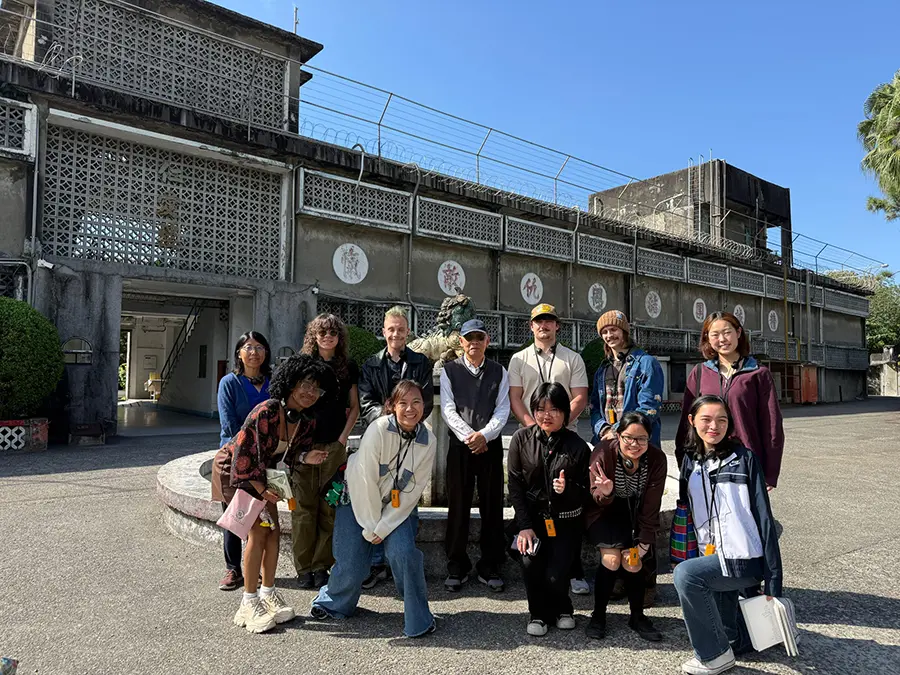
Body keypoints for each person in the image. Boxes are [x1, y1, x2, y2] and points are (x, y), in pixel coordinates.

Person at [211, 354, 336, 633]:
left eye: (316, 388)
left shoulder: (305, 421)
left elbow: (290, 456)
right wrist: (261, 489)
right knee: (258, 531)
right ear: (290, 383)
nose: (309, 393)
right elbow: (243, 456)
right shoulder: (266, 411)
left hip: (262, 475)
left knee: (274, 531)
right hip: (236, 471)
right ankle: (248, 601)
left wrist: (306, 456)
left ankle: (268, 594)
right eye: (304, 384)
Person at [311, 380, 437, 638]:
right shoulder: (378, 429)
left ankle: (419, 618)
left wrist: (384, 526)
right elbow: (364, 480)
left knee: (403, 553)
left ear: (424, 405)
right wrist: (371, 527)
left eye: (416, 402)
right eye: (403, 403)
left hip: (396, 506)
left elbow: (413, 490)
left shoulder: (429, 440)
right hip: (355, 496)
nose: (410, 409)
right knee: (350, 562)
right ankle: (333, 603)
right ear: (392, 406)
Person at [674, 395, 783, 675]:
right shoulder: (690, 460)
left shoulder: (744, 458)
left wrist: (773, 581)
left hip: (742, 558)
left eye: (722, 420)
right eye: (706, 419)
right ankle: (734, 639)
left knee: (687, 576)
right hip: (711, 553)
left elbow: (763, 518)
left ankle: (713, 656)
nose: (714, 426)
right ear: (692, 421)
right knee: (726, 629)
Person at [508, 303, 591, 595]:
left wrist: (558, 421)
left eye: (549, 321)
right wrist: (536, 426)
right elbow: (516, 397)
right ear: (531, 327)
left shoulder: (572, 358)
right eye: (538, 322)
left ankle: (574, 569)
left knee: (570, 503)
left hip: (566, 437)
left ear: (557, 326)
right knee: (538, 499)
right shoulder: (519, 359)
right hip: (532, 440)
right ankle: (540, 559)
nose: (544, 326)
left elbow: (580, 396)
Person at [357, 305, 434, 589]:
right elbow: (366, 402)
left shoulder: (420, 363)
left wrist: (406, 422)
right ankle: (376, 563)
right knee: (376, 497)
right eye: (391, 329)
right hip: (379, 441)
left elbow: (425, 401)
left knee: (407, 493)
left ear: (408, 332)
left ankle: (401, 559)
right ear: (384, 332)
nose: (396, 334)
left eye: (401, 329)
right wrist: (389, 423)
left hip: (410, 441)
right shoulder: (370, 364)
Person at [507, 382, 590, 637]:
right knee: (530, 563)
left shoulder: (577, 446)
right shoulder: (522, 439)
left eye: (554, 409)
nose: (547, 415)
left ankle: (563, 607)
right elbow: (515, 485)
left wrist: (568, 490)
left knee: (556, 574)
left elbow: (587, 492)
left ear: (565, 413)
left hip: (565, 522)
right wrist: (524, 527)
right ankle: (539, 614)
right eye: (541, 409)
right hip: (532, 520)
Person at [675, 311, 785, 490]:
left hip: (746, 461)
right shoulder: (700, 373)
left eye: (727, 332)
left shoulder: (758, 374)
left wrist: (770, 472)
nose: (722, 339)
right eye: (715, 334)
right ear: (707, 338)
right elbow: (686, 421)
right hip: (705, 460)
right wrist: (683, 459)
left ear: (739, 333)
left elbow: (772, 424)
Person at [439, 319, 510, 593]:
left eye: (479, 337)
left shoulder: (499, 371)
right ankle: (457, 565)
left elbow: (502, 409)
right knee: (458, 505)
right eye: (469, 338)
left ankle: (490, 564)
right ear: (461, 341)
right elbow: (448, 408)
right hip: (461, 447)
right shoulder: (449, 371)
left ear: (487, 341)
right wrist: (470, 436)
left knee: (492, 506)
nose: (474, 343)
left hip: (489, 446)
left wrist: (485, 436)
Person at [585, 411, 666, 642]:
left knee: (633, 561)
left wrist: (645, 539)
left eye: (641, 438)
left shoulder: (657, 459)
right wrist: (608, 493)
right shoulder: (603, 452)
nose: (634, 444)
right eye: (628, 437)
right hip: (604, 511)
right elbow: (594, 496)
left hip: (635, 512)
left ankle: (637, 616)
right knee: (611, 560)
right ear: (618, 435)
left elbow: (652, 504)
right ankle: (598, 615)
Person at [294, 314, 360, 589]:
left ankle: (322, 566)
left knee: (328, 508)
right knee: (303, 510)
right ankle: (303, 568)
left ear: (339, 337)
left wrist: (342, 440)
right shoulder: (303, 366)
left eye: (332, 332)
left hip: (334, 447)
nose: (327, 336)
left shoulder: (348, 367)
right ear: (314, 336)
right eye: (322, 332)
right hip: (305, 448)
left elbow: (355, 406)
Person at [215, 331, 272, 591]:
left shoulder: (273, 382)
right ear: (239, 352)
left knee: (262, 515)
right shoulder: (230, 382)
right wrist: (249, 448)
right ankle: (232, 568)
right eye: (248, 347)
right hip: (235, 454)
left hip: (267, 457)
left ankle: (257, 568)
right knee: (235, 512)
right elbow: (228, 424)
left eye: (259, 347)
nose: (254, 352)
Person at [589, 310, 665, 447]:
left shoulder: (646, 363)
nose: (609, 335)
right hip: (608, 442)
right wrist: (603, 429)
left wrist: (618, 430)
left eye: (613, 329)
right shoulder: (602, 369)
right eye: (604, 332)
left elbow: (649, 408)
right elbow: (594, 407)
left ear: (624, 331)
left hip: (637, 444)